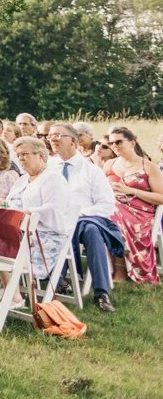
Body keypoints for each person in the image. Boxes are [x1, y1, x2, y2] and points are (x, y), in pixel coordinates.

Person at [47, 122, 122, 311]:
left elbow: (106, 205)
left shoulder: (92, 171)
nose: (52, 139)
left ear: (73, 141)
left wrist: (78, 213)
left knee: (92, 231)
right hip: (51, 219)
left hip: (84, 219)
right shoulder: (48, 166)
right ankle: (54, 279)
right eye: (50, 136)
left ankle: (101, 292)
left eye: (57, 135)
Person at [4, 136, 74, 289]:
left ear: (41, 155)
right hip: (18, 231)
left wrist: (27, 212)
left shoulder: (53, 178)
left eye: (25, 154)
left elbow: (54, 209)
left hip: (45, 234)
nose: (21, 158)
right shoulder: (22, 180)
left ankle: (10, 293)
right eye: (19, 155)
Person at [103, 125, 161, 285]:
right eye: (111, 143)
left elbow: (161, 198)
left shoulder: (148, 166)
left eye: (119, 142)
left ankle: (120, 269)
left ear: (132, 143)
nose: (114, 146)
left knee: (112, 216)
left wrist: (129, 190)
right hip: (114, 208)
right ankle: (112, 267)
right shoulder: (109, 165)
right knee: (107, 214)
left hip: (140, 213)